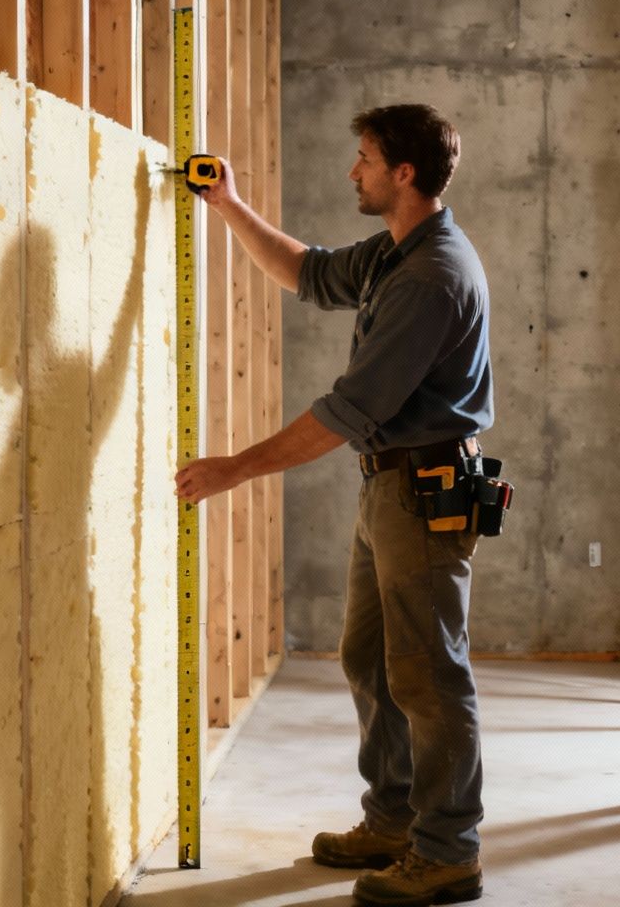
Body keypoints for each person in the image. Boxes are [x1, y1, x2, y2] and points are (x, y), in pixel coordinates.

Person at [175, 103, 494, 907]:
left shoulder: (432, 277)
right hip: (390, 487)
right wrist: (229, 206)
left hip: (422, 497)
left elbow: (348, 409)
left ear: (404, 173)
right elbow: (309, 273)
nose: (353, 171)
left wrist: (235, 468)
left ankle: (448, 851)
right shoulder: (398, 252)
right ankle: (393, 821)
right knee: (371, 661)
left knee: (428, 677)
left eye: (364, 159)